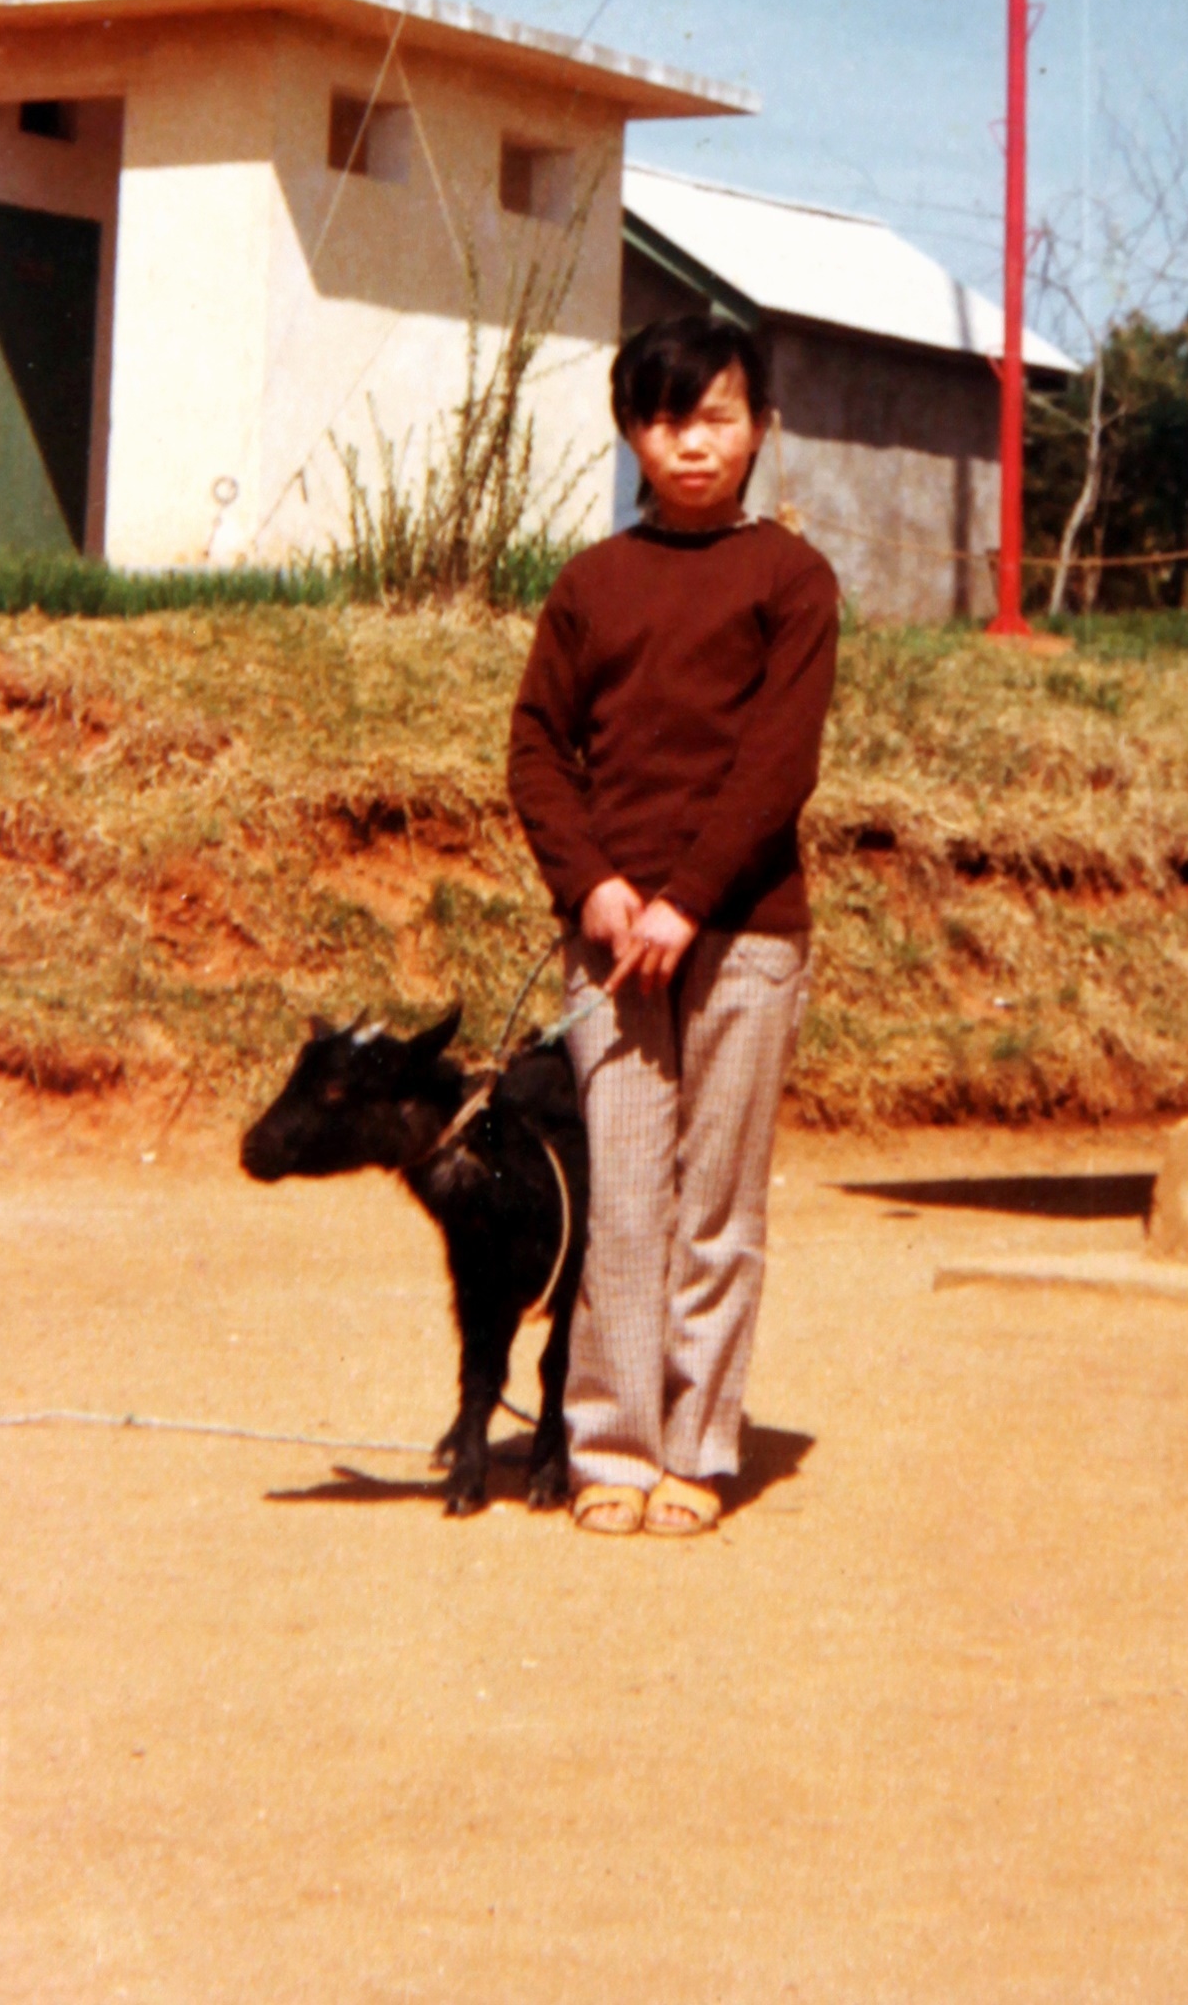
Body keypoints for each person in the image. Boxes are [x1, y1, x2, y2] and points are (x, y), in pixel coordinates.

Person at [506, 312, 838, 1537]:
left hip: (744, 934)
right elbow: (538, 747)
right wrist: (593, 885)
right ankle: (612, 1449)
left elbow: (775, 765)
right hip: (613, 940)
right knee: (627, 1196)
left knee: (717, 1201)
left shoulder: (792, 582)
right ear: (629, 433)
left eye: (715, 417)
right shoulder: (592, 583)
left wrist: (688, 901)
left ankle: (699, 1446)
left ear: (759, 429)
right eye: (663, 419)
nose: (690, 444)